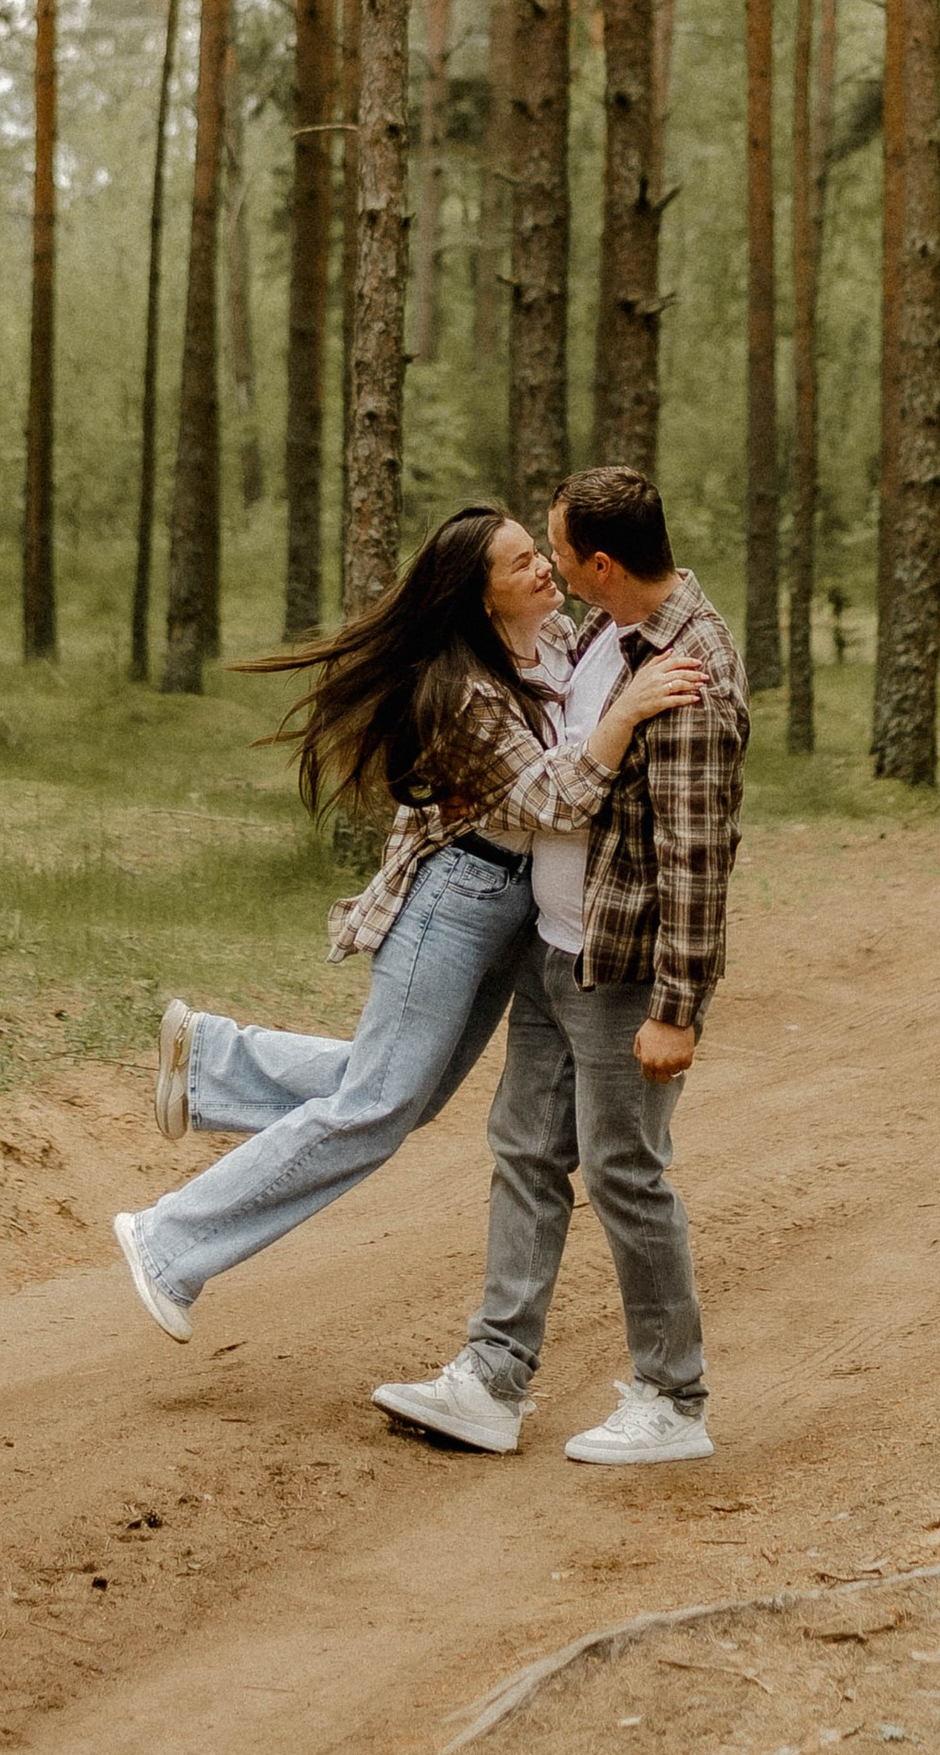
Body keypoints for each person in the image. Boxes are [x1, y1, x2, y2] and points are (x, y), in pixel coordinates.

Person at [111, 503, 703, 1345]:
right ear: (481, 598)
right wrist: (627, 713)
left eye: (541, 553)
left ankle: (209, 1059)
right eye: (519, 564)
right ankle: (171, 1240)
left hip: (510, 910)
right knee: (379, 1105)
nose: (543, 568)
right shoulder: (463, 691)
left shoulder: (561, 641)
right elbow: (551, 797)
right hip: (455, 903)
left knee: (399, 1094)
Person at [373, 463, 747, 1468]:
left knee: (625, 1171)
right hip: (554, 952)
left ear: (601, 561)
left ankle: (674, 1399)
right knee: (526, 1155)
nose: (549, 565)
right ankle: (492, 1380)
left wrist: (678, 1009)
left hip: (619, 974)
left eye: (556, 548)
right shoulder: (603, 636)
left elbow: (696, 857)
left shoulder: (690, 668)